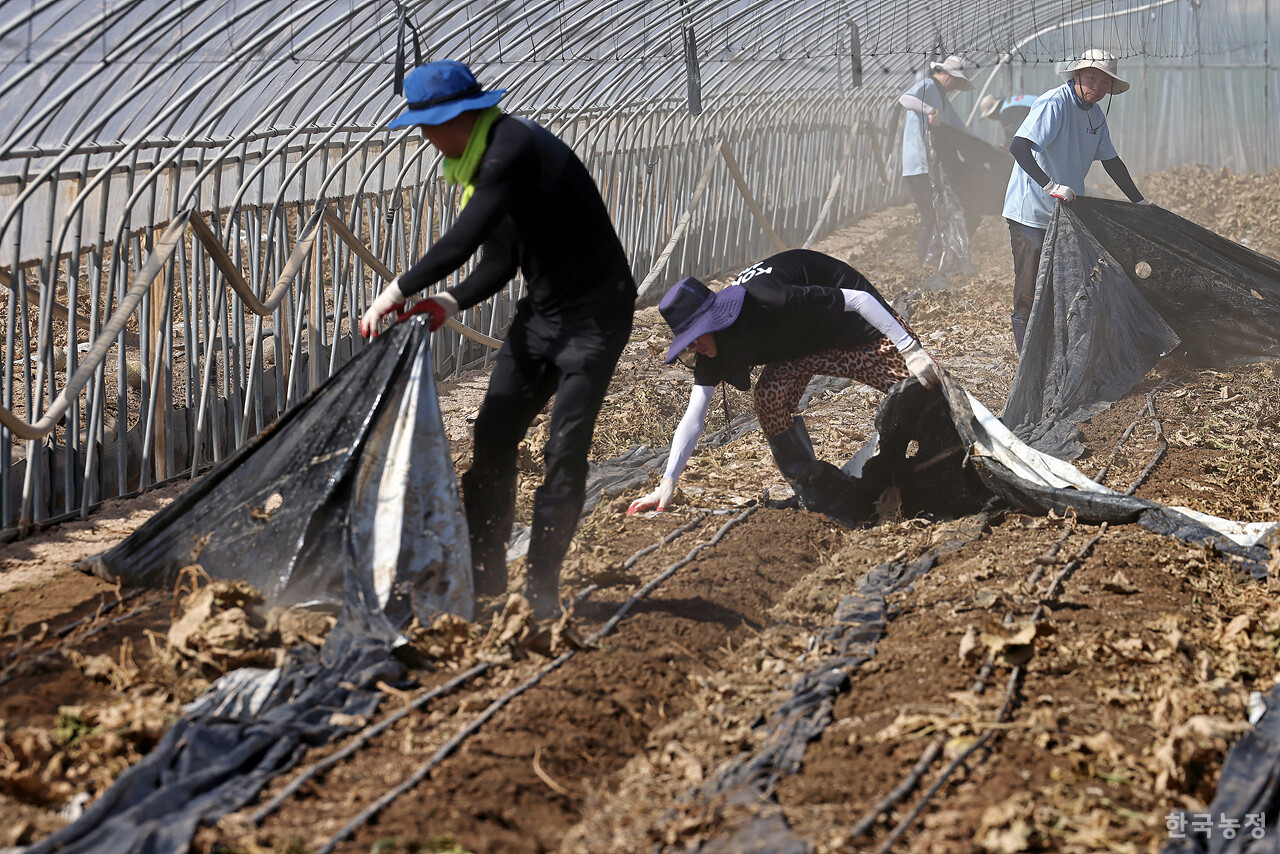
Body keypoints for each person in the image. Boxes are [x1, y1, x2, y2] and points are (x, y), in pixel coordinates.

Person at [361, 60, 636, 620]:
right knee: (491, 437)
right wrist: (451, 301)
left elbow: (461, 241)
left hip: (595, 318)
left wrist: (399, 288)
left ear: (458, 116)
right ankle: (485, 579)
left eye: (428, 125)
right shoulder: (486, 161)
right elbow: (500, 257)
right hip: (542, 317)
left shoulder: (513, 148)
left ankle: (540, 591)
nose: (425, 137)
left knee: (565, 451)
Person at [626, 250, 942, 518]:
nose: (692, 347)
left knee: (922, 393)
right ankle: (814, 488)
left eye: (694, 336)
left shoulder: (770, 297)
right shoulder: (711, 348)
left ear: (715, 320)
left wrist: (909, 349)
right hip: (802, 348)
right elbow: (694, 416)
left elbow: (859, 300)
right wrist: (668, 480)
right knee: (768, 397)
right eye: (687, 341)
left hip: (855, 329)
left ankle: (951, 457)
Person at [1002, 49, 1149, 353]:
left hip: (1064, 213)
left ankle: (1054, 351)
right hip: (1031, 210)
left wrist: (1139, 202)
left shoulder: (1095, 115)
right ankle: (1025, 357)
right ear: (1077, 75)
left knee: (1063, 284)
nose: (1097, 86)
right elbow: (1018, 147)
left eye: (1105, 82)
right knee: (1029, 288)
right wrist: (1050, 185)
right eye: (1092, 78)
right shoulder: (1055, 104)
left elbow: (1112, 162)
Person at [899, 55, 975, 268]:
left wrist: (986, 146)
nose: (957, 87)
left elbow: (962, 129)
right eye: (957, 81)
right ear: (946, 75)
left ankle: (928, 262)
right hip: (919, 162)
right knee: (931, 213)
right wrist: (928, 110)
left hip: (928, 165)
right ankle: (926, 262)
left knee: (933, 213)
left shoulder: (943, 99)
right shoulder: (928, 85)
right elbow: (905, 99)